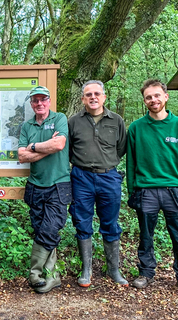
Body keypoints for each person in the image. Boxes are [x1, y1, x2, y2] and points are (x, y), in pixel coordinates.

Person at [126, 79, 178, 299]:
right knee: (146, 236)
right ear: (144, 100)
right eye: (148, 97)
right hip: (146, 190)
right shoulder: (136, 128)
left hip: (175, 190)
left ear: (165, 96)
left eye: (157, 95)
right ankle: (145, 273)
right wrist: (132, 189)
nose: (153, 100)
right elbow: (131, 163)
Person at [68, 80, 128, 287]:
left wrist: (105, 164)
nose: (93, 97)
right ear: (83, 99)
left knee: (110, 223)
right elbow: (68, 150)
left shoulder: (116, 120)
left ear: (103, 97)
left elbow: (121, 148)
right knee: (82, 222)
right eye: (88, 94)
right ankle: (87, 269)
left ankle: (113, 269)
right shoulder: (73, 121)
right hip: (81, 177)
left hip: (109, 177)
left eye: (97, 93)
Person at [18, 86, 72, 294]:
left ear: (49, 101)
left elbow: (59, 145)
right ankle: (52, 276)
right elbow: (21, 156)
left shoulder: (59, 118)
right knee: (41, 229)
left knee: (50, 228)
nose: (39, 103)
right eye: (35, 100)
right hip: (35, 185)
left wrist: (33, 147)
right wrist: (45, 147)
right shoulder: (27, 126)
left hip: (58, 184)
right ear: (31, 103)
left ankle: (35, 273)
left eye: (43, 99)